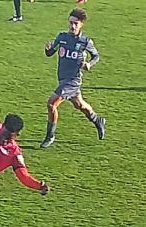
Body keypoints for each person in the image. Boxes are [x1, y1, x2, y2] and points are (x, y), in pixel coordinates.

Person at [40, 8, 106, 148]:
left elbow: (96, 56)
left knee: (51, 104)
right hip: (62, 78)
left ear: (81, 24)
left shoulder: (85, 41)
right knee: (79, 105)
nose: (72, 26)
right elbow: (50, 53)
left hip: (73, 81)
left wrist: (89, 64)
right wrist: (47, 49)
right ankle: (97, 120)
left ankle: (50, 136)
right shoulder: (61, 37)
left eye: (76, 23)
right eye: (71, 22)